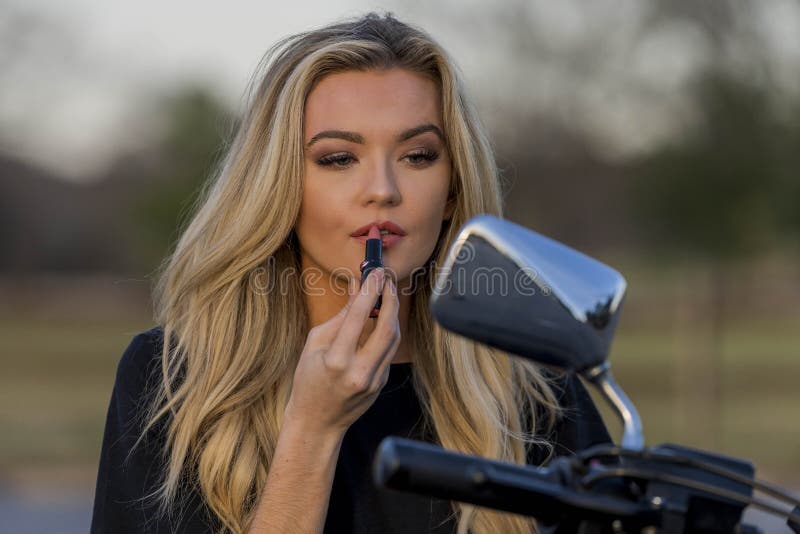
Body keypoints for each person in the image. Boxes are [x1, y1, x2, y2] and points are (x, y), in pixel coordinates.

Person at [91, 12, 611, 534]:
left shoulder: (536, 392)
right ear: (279, 187)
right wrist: (312, 431)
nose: (382, 189)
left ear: (453, 190)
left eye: (417, 155)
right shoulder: (175, 383)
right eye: (339, 158)